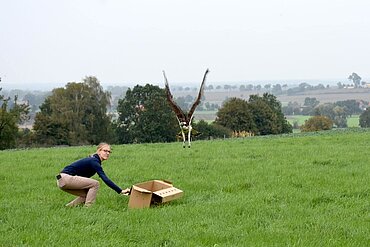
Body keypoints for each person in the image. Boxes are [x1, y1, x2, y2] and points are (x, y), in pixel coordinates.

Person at [56, 142, 130, 207]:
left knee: (86, 195)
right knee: (95, 184)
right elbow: (105, 178)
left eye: (109, 152)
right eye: (105, 151)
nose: (107, 153)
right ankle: (88, 208)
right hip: (66, 178)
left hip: (61, 180)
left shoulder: (93, 160)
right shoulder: (94, 161)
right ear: (99, 151)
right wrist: (120, 191)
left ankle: (68, 208)